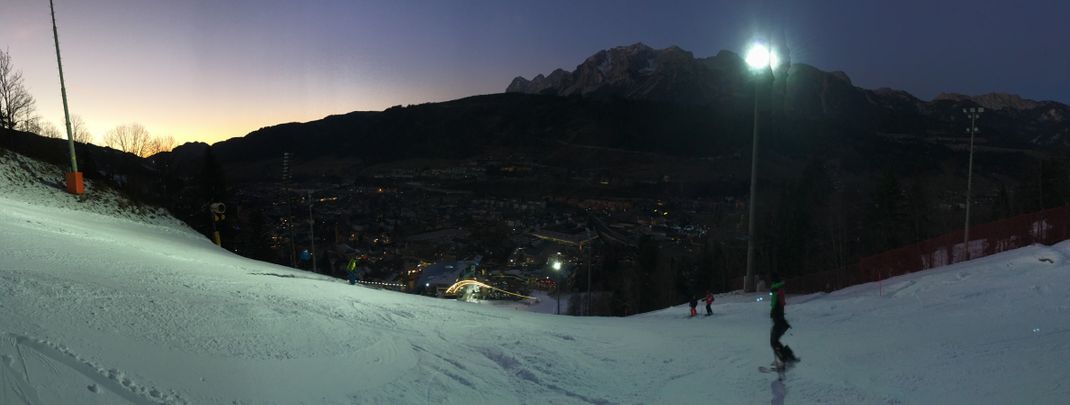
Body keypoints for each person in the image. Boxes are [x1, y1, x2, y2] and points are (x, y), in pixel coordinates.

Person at [769, 273, 798, 368]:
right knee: (775, 341)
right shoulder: (778, 289)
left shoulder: (776, 289)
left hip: (779, 321)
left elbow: (776, 303)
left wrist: (773, 312)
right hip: (781, 322)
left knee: (773, 342)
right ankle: (788, 356)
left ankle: (785, 358)